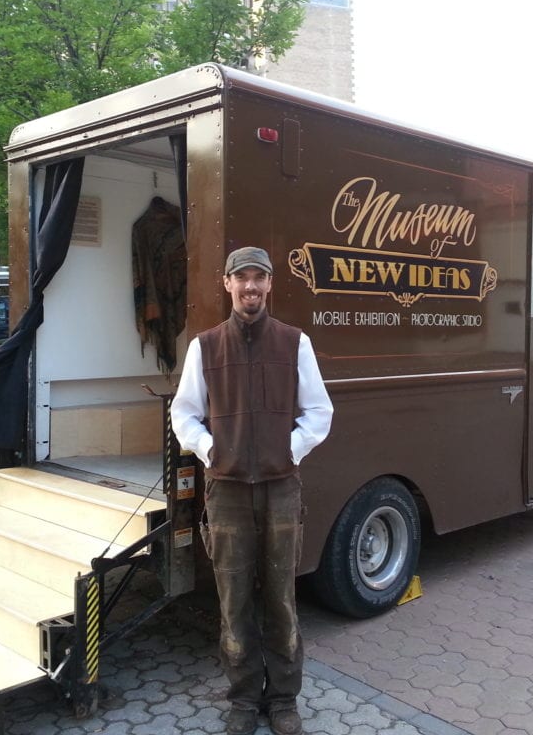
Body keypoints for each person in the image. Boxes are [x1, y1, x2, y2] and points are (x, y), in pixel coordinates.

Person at [171, 246, 333, 735]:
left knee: (281, 598)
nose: (250, 287)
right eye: (241, 278)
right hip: (227, 492)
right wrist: (211, 451)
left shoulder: (294, 342)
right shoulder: (204, 347)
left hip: (281, 489)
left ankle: (283, 699)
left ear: (269, 284)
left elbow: (319, 412)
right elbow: (184, 413)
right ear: (227, 284)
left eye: (258, 278)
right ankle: (243, 699)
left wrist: (290, 450)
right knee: (233, 600)